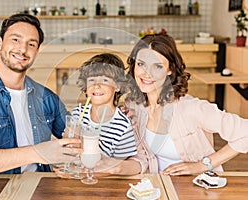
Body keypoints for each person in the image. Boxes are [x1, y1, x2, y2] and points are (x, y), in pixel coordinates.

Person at [0, 13, 80, 180]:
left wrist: (104, 112)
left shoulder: (46, 97)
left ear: (37, 51)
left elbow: (75, 136)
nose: (23, 49)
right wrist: (38, 153)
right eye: (15, 40)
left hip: (41, 187)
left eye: (31, 44)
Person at [122, 33, 248, 175]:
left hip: (196, 188)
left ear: (170, 69)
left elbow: (245, 133)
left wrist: (201, 165)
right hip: (157, 188)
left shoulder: (191, 108)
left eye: (157, 66)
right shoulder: (134, 106)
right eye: (141, 64)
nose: (146, 73)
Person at [71, 53, 138, 159]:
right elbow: (67, 151)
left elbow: (119, 166)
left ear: (117, 86)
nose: (96, 85)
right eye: (91, 80)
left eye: (105, 80)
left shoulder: (123, 126)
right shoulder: (77, 113)